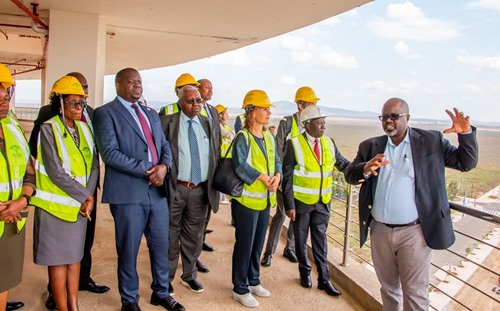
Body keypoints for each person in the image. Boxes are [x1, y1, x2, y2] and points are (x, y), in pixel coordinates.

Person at [344, 98, 478, 310]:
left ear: (408, 118)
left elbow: (466, 163)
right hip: (380, 231)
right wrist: (364, 169)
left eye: (394, 116)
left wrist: (466, 134)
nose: (389, 120)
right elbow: (350, 176)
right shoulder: (370, 146)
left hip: (414, 233)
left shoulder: (431, 141)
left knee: (415, 293)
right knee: (388, 289)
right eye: (384, 116)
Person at [93, 68, 184, 311]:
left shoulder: (151, 113)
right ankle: (129, 300)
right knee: (128, 249)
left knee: (160, 246)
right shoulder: (105, 113)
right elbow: (109, 153)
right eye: (132, 81)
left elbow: (164, 145)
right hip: (127, 194)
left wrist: (164, 167)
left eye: (140, 82)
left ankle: (161, 292)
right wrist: (149, 170)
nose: (138, 85)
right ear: (118, 85)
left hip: (157, 193)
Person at [28, 72, 109, 311]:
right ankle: (62, 306)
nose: (79, 107)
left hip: (80, 207)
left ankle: (74, 305)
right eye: (73, 102)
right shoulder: (48, 128)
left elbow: (94, 163)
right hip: (55, 209)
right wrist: (84, 195)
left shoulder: (85, 128)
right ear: (60, 103)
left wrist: (89, 195)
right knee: (58, 261)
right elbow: (54, 171)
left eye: (81, 102)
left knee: (75, 259)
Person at [282, 105, 348, 297]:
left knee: (320, 242)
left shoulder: (329, 143)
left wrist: (363, 169)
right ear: (308, 125)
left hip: (322, 202)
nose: (323, 127)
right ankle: (305, 272)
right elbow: (287, 176)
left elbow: (343, 164)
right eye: (319, 123)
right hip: (301, 203)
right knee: (301, 241)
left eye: (324, 123)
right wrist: (289, 205)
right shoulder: (294, 144)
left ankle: (324, 279)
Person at [160, 85, 220, 294]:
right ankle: (165, 279)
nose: (196, 105)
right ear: (180, 103)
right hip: (176, 188)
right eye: (190, 101)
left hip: (200, 190)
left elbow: (215, 153)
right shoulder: (167, 123)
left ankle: (189, 275)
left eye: (198, 100)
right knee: (170, 235)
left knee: (194, 236)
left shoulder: (208, 123)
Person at [230, 90, 282, 308]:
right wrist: (262, 177)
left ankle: (253, 280)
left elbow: (277, 160)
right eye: (264, 108)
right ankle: (239, 288)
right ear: (252, 111)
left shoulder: (269, 136)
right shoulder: (243, 137)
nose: (269, 112)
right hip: (246, 202)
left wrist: (277, 177)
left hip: (264, 201)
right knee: (245, 244)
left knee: (258, 243)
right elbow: (240, 165)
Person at [261, 86, 319, 267]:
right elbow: (278, 151)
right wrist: (279, 177)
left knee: (297, 216)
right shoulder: (288, 123)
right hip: (285, 179)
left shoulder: (313, 125)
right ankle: (269, 253)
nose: (314, 107)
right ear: (301, 106)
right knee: (280, 215)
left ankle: (290, 249)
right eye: (311, 103)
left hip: (302, 183)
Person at [0, 65, 36, 311]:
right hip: (5, 213)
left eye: (6, 96)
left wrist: (22, 200)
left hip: (13, 218)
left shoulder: (11, 123)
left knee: (4, 279)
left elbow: (28, 168)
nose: (4, 102)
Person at [197, 78, 221, 255]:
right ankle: (192, 248)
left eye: (212, 88)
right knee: (195, 212)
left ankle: (201, 239)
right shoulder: (193, 108)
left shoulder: (212, 111)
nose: (211, 91)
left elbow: (217, 138)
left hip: (211, 168)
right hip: (197, 167)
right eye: (207, 88)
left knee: (207, 207)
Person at [215, 104, 235, 204]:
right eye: (226, 113)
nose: (228, 116)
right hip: (221, 156)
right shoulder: (218, 126)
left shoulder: (224, 125)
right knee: (221, 177)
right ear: (220, 115)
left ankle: (222, 197)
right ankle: (220, 197)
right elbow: (230, 135)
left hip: (227, 156)